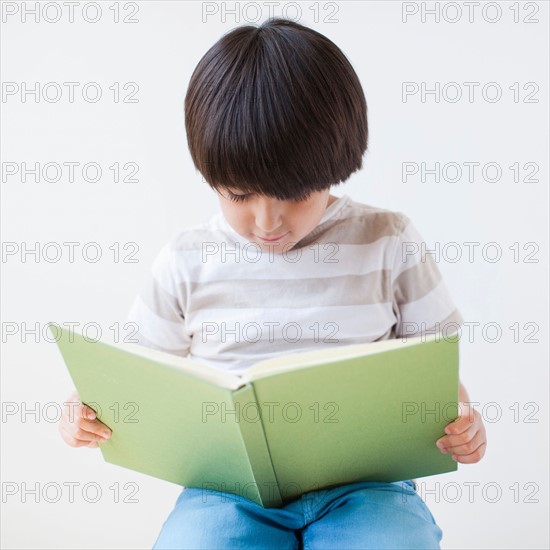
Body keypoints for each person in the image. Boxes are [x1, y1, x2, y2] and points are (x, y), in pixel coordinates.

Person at [59, 17, 487, 549]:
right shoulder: (187, 261)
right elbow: (132, 377)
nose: (267, 224)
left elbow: (437, 377)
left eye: (295, 195)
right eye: (239, 196)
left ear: (338, 163)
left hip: (369, 485)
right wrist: (84, 408)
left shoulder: (389, 241)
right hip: (226, 491)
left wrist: (463, 421)